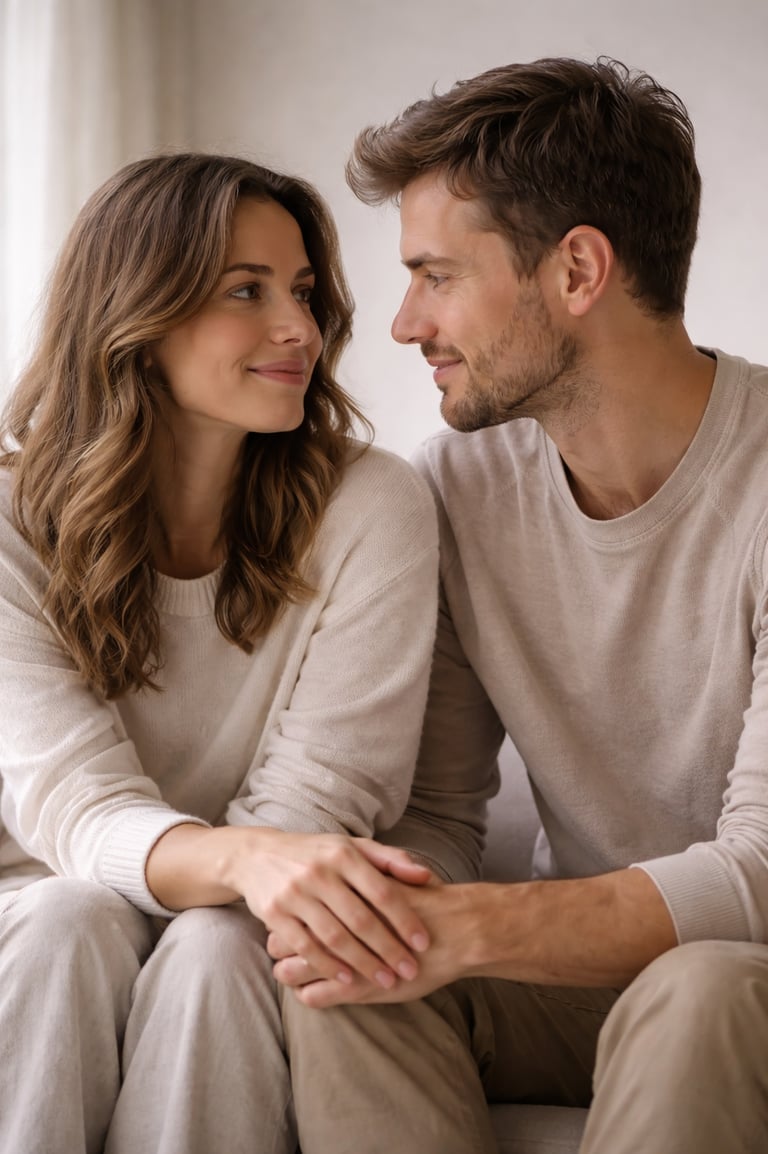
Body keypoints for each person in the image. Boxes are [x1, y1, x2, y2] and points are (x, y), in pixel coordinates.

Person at [269, 58, 768, 1153]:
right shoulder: (460, 490)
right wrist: (381, 915)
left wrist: (478, 922)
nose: (405, 323)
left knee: (697, 991)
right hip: (584, 980)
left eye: (437, 276)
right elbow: (443, 814)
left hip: (742, 982)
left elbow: (761, 872)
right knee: (353, 979)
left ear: (577, 269)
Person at [0, 151, 441, 1154]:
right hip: (42, 907)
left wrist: (248, 869)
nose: (299, 330)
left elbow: (317, 805)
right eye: (247, 291)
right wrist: (244, 859)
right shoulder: (11, 523)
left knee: (216, 944)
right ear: (136, 315)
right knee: (73, 919)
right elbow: (74, 809)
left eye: (304, 292)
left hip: (242, 919)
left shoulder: (373, 506)